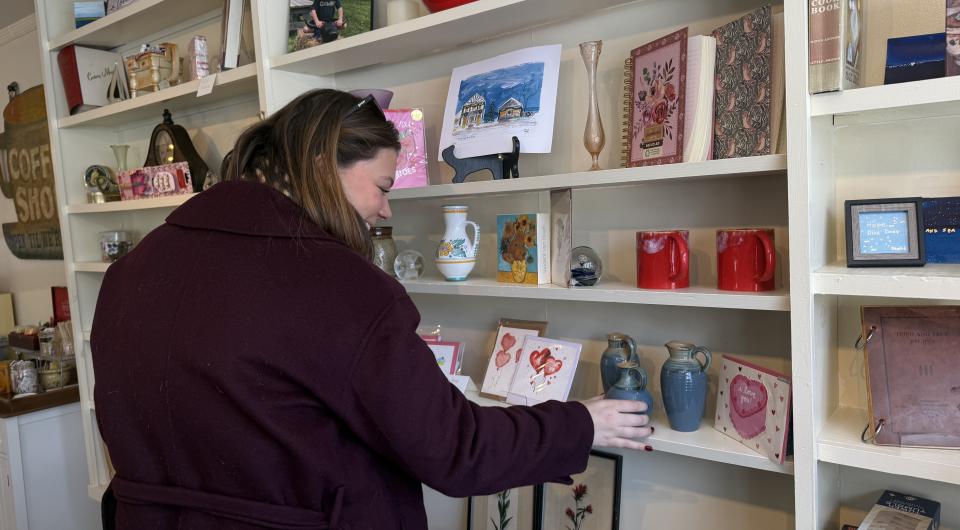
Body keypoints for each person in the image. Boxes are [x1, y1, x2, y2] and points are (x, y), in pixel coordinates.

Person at [90, 89, 652, 530]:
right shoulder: (339, 287)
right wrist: (582, 423)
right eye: (383, 186)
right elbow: (455, 449)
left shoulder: (131, 271)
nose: (385, 210)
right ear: (320, 166)